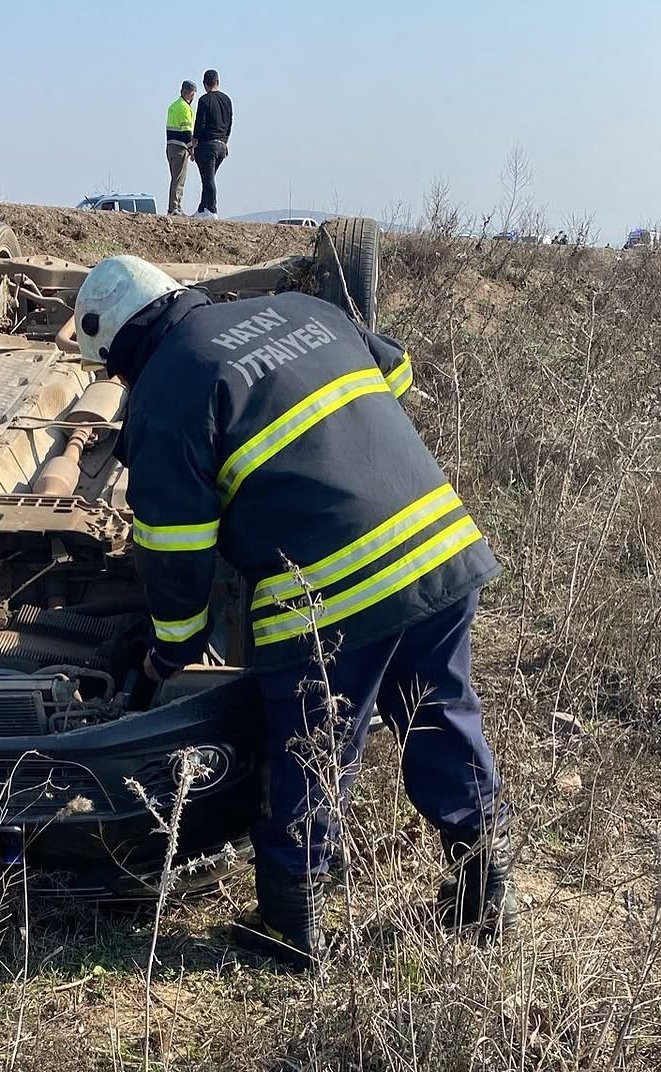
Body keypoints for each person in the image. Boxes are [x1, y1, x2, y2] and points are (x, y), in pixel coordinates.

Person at [74, 255, 517, 970]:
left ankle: (291, 930)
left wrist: (171, 648)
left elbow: (177, 547)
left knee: (311, 754)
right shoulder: (304, 309)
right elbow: (395, 378)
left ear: (122, 347)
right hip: (438, 549)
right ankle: (485, 888)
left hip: (332, 596)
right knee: (441, 711)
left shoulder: (167, 387)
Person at [192, 70, 232, 218]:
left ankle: (212, 210)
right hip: (222, 144)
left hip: (207, 145)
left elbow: (200, 123)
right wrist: (225, 140)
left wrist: (194, 142)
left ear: (204, 84)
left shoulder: (204, 100)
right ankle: (202, 208)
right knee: (208, 177)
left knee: (208, 179)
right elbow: (230, 122)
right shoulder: (227, 100)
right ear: (218, 82)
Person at [165, 80, 197, 216]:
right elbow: (186, 132)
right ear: (189, 93)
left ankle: (173, 206)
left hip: (170, 146)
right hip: (180, 148)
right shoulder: (185, 108)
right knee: (179, 179)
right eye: (193, 93)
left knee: (174, 178)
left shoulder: (173, 106)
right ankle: (175, 207)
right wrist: (191, 149)